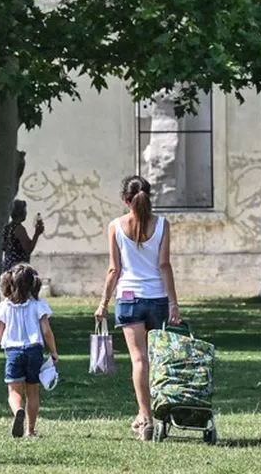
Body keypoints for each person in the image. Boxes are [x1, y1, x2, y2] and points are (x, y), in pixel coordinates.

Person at [94, 174, 181, 442]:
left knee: (138, 359)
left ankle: (145, 417)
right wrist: (173, 301)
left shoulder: (115, 226)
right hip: (156, 297)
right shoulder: (163, 225)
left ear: (125, 200)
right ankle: (159, 409)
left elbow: (114, 269)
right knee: (157, 359)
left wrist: (103, 303)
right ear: (148, 197)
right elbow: (164, 265)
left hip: (129, 299)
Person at [0, 263, 60, 439]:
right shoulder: (38, 305)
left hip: (13, 350)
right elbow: (46, 331)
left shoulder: (5, 306)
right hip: (34, 350)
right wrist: (53, 352)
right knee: (33, 391)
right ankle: (30, 430)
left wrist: (6, 346)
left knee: (14, 391)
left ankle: (18, 411)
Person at [2, 200, 45, 273]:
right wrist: (37, 233)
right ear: (21, 212)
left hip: (7, 268)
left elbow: (3, 247)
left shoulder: (7, 227)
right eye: (25, 210)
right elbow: (28, 249)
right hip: (18, 271)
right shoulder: (19, 229)